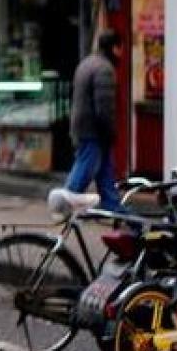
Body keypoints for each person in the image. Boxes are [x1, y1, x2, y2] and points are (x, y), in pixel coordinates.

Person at [51, 31, 124, 217]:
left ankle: (112, 205)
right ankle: (62, 206)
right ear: (114, 48)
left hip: (83, 127)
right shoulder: (104, 69)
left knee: (105, 169)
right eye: (120, 48)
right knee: (86, 167)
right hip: (93, 130)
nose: (121, 53)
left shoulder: (87, 63)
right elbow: (104, 107)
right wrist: (110, 131)